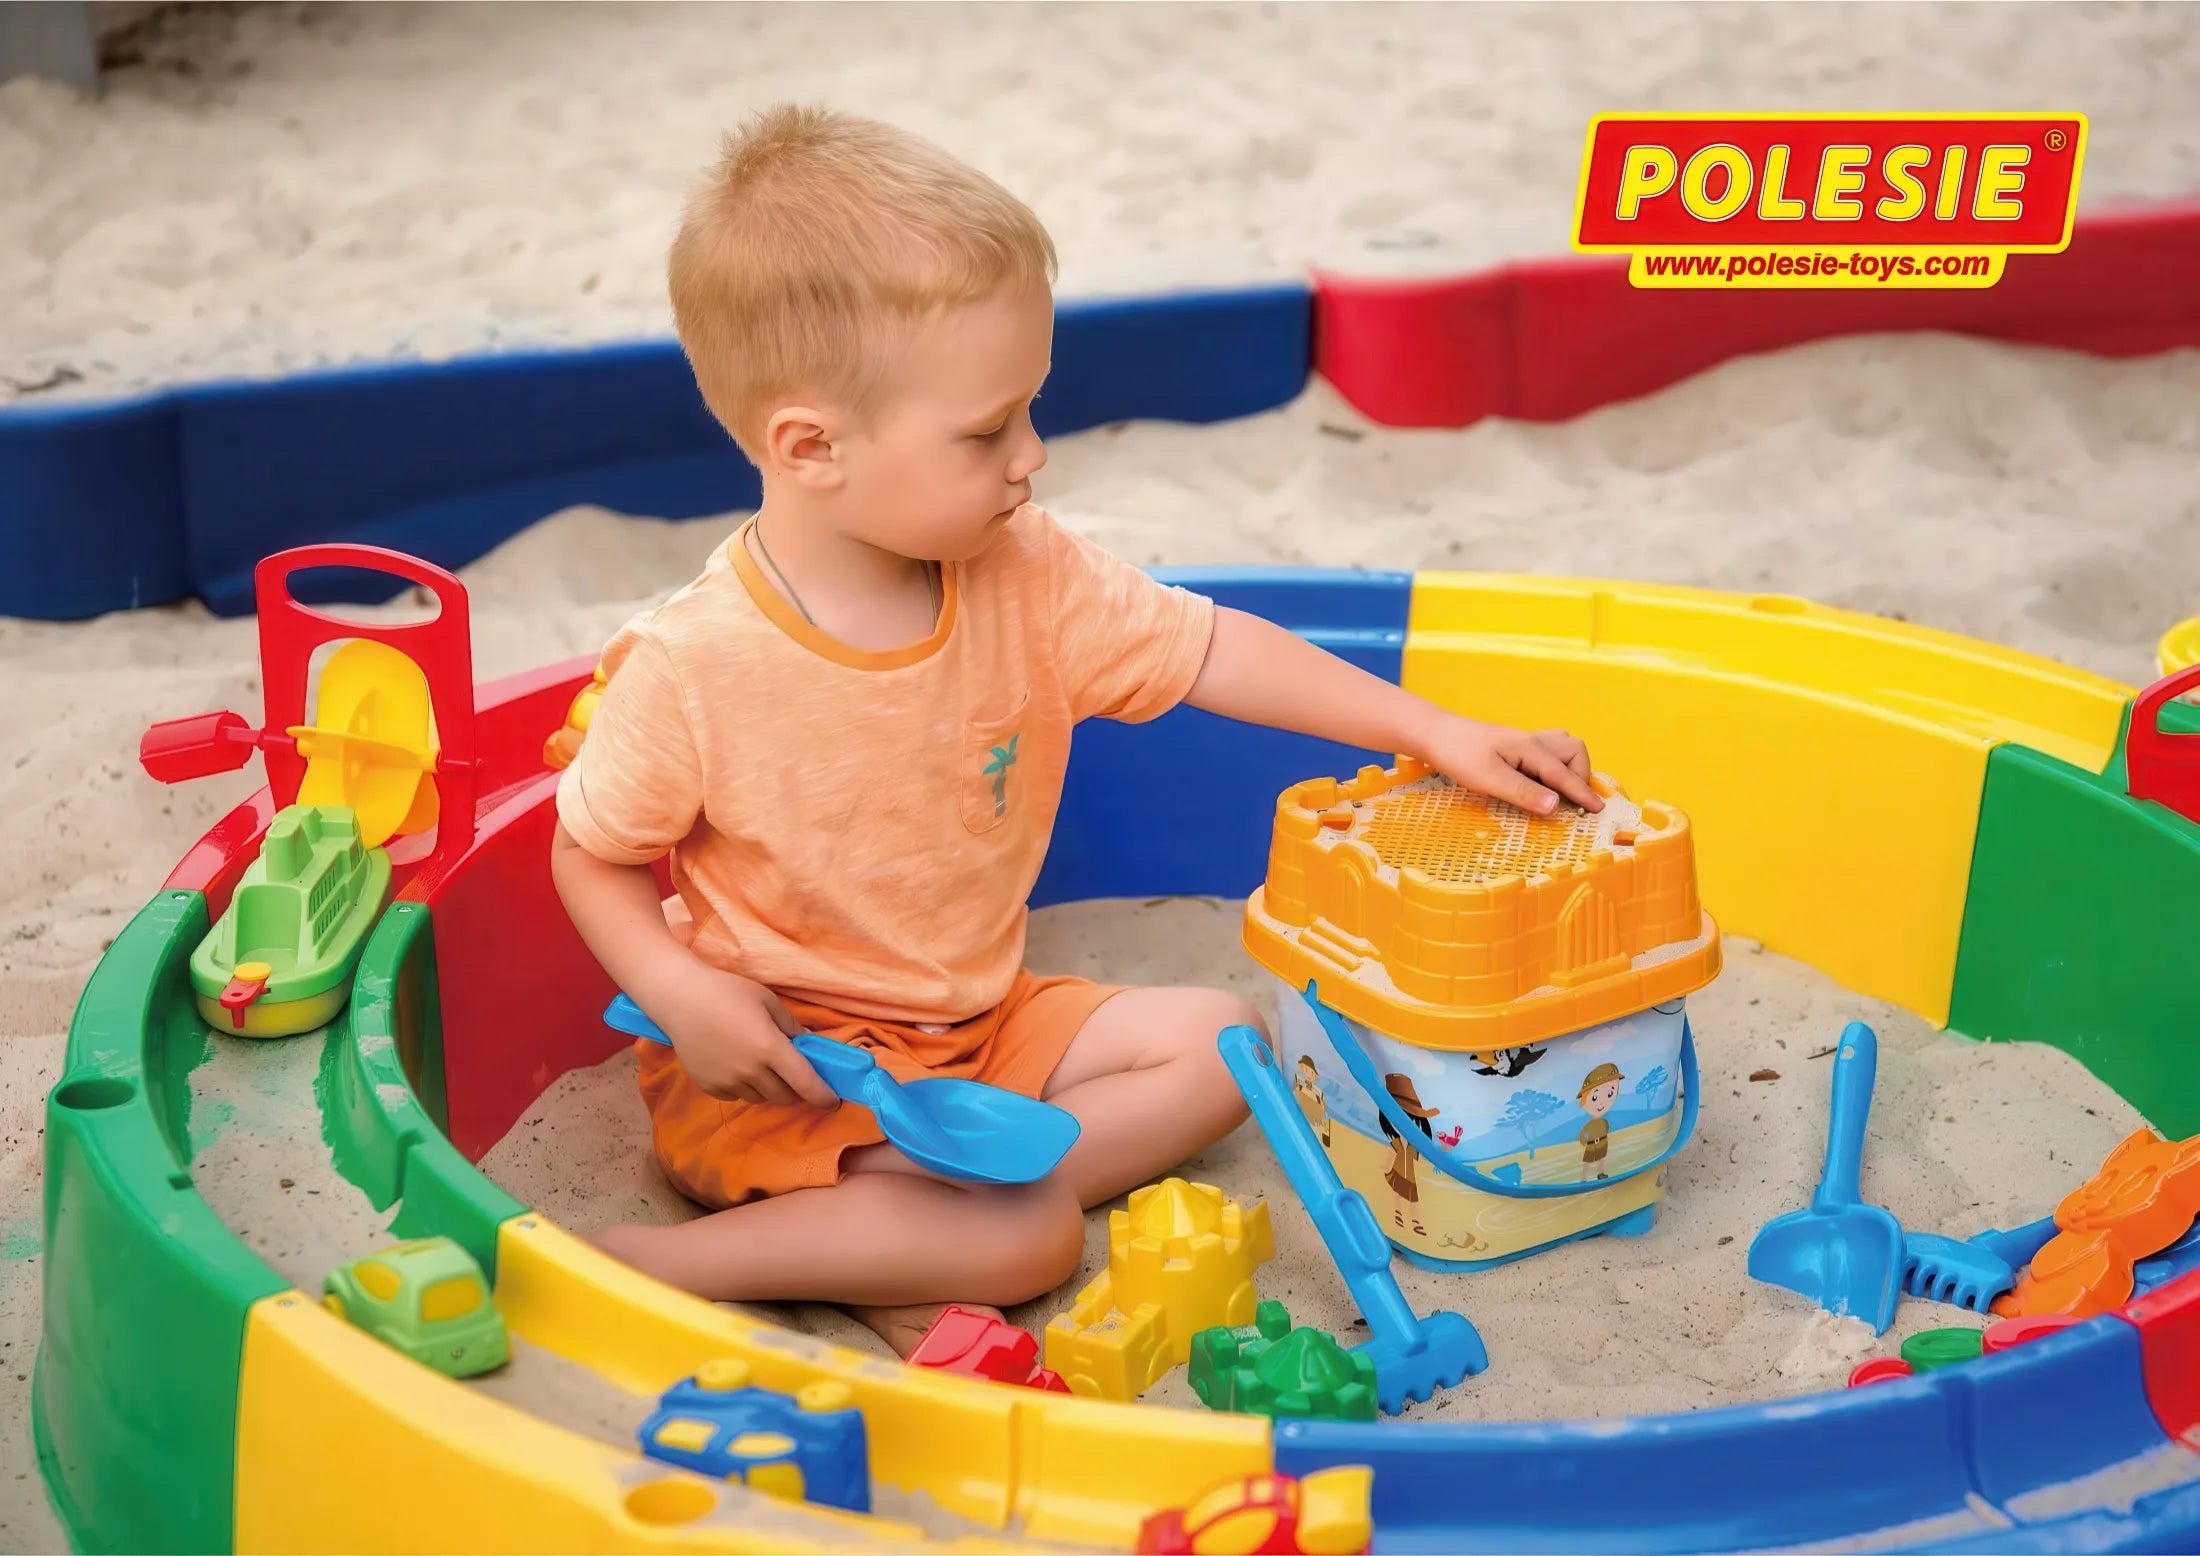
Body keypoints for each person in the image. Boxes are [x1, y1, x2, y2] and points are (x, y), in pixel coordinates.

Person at [551, 105, 1600, 1356]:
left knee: (1226, 1041)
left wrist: (1434, 729)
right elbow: (590, 853)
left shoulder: (1024, 571)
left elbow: (1211, 648)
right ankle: (673, 1259)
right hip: (793, 1072)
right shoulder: (694, 665)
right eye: (987, 429)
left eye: (1029, 410)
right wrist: (679, 989)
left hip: (980, 1030)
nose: (1031, 455)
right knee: (1033, 1240)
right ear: (812, 445)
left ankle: (908, 1228)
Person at [1576, 1062, 1625, 1181]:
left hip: (1602, 1143)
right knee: (1587, 1161)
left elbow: (1606, 1128)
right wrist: (1585, 1142)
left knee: (1601, 1159)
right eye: (1594, 1098)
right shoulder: (1591, 1123)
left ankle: (1600, 1173)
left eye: (1610, 1094)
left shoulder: (1603, 1121)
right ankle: (1583, 1178)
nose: (1602, 1103)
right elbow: (1582, 1134)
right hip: (1591, 1144)